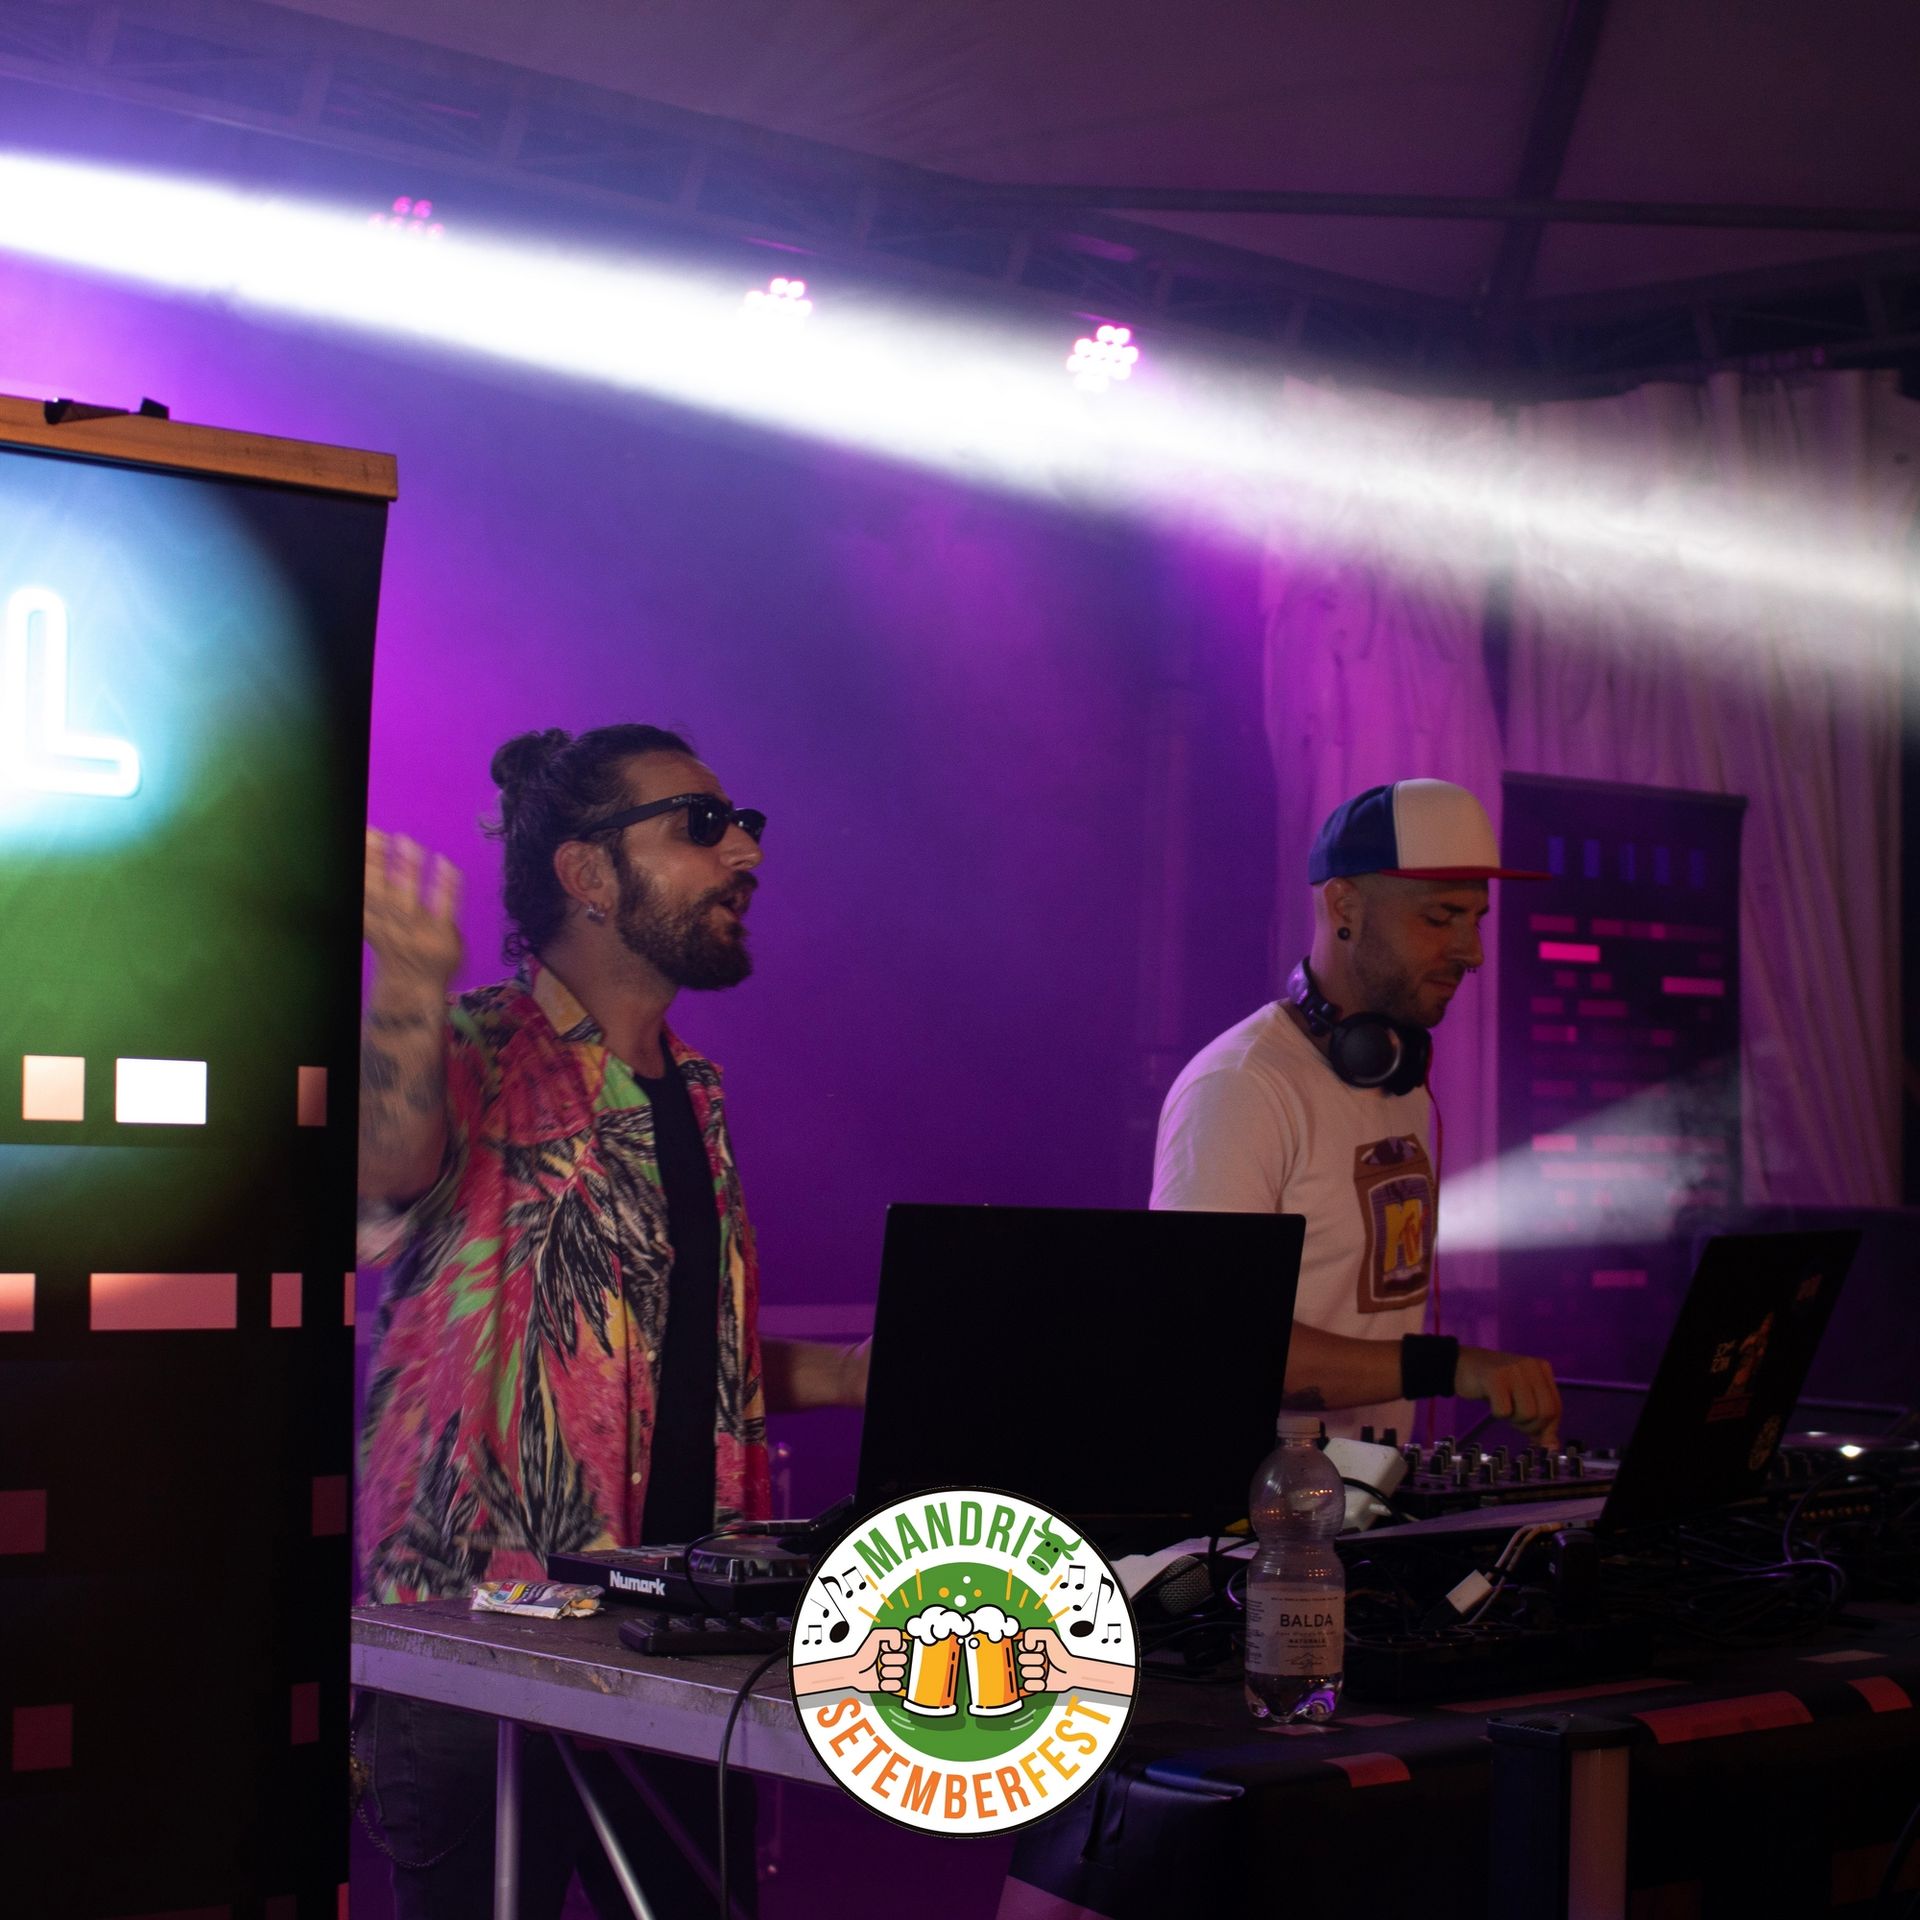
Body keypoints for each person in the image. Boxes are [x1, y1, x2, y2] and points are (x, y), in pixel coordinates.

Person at [352, 722, 867, 1919]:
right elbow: (382, 1171)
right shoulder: (474, 1039)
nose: (744, 852)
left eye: (746, 825)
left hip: (678, 1637)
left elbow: (663, 1357)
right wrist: (411, 984)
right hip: (487, 1637)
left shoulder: (697, 1090)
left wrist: (851, 1374)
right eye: (703, 825)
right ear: (587, 872)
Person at [1152, 778, 1561, 1445]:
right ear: (1345, 905)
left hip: (1367, 1495)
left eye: (1476, 919)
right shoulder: (1242, 1086)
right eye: (1440, 918)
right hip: (1255, 1506)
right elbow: (1215, 1336)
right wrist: (1450, 1367)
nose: (1472, 952)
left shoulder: (1397, 1077)